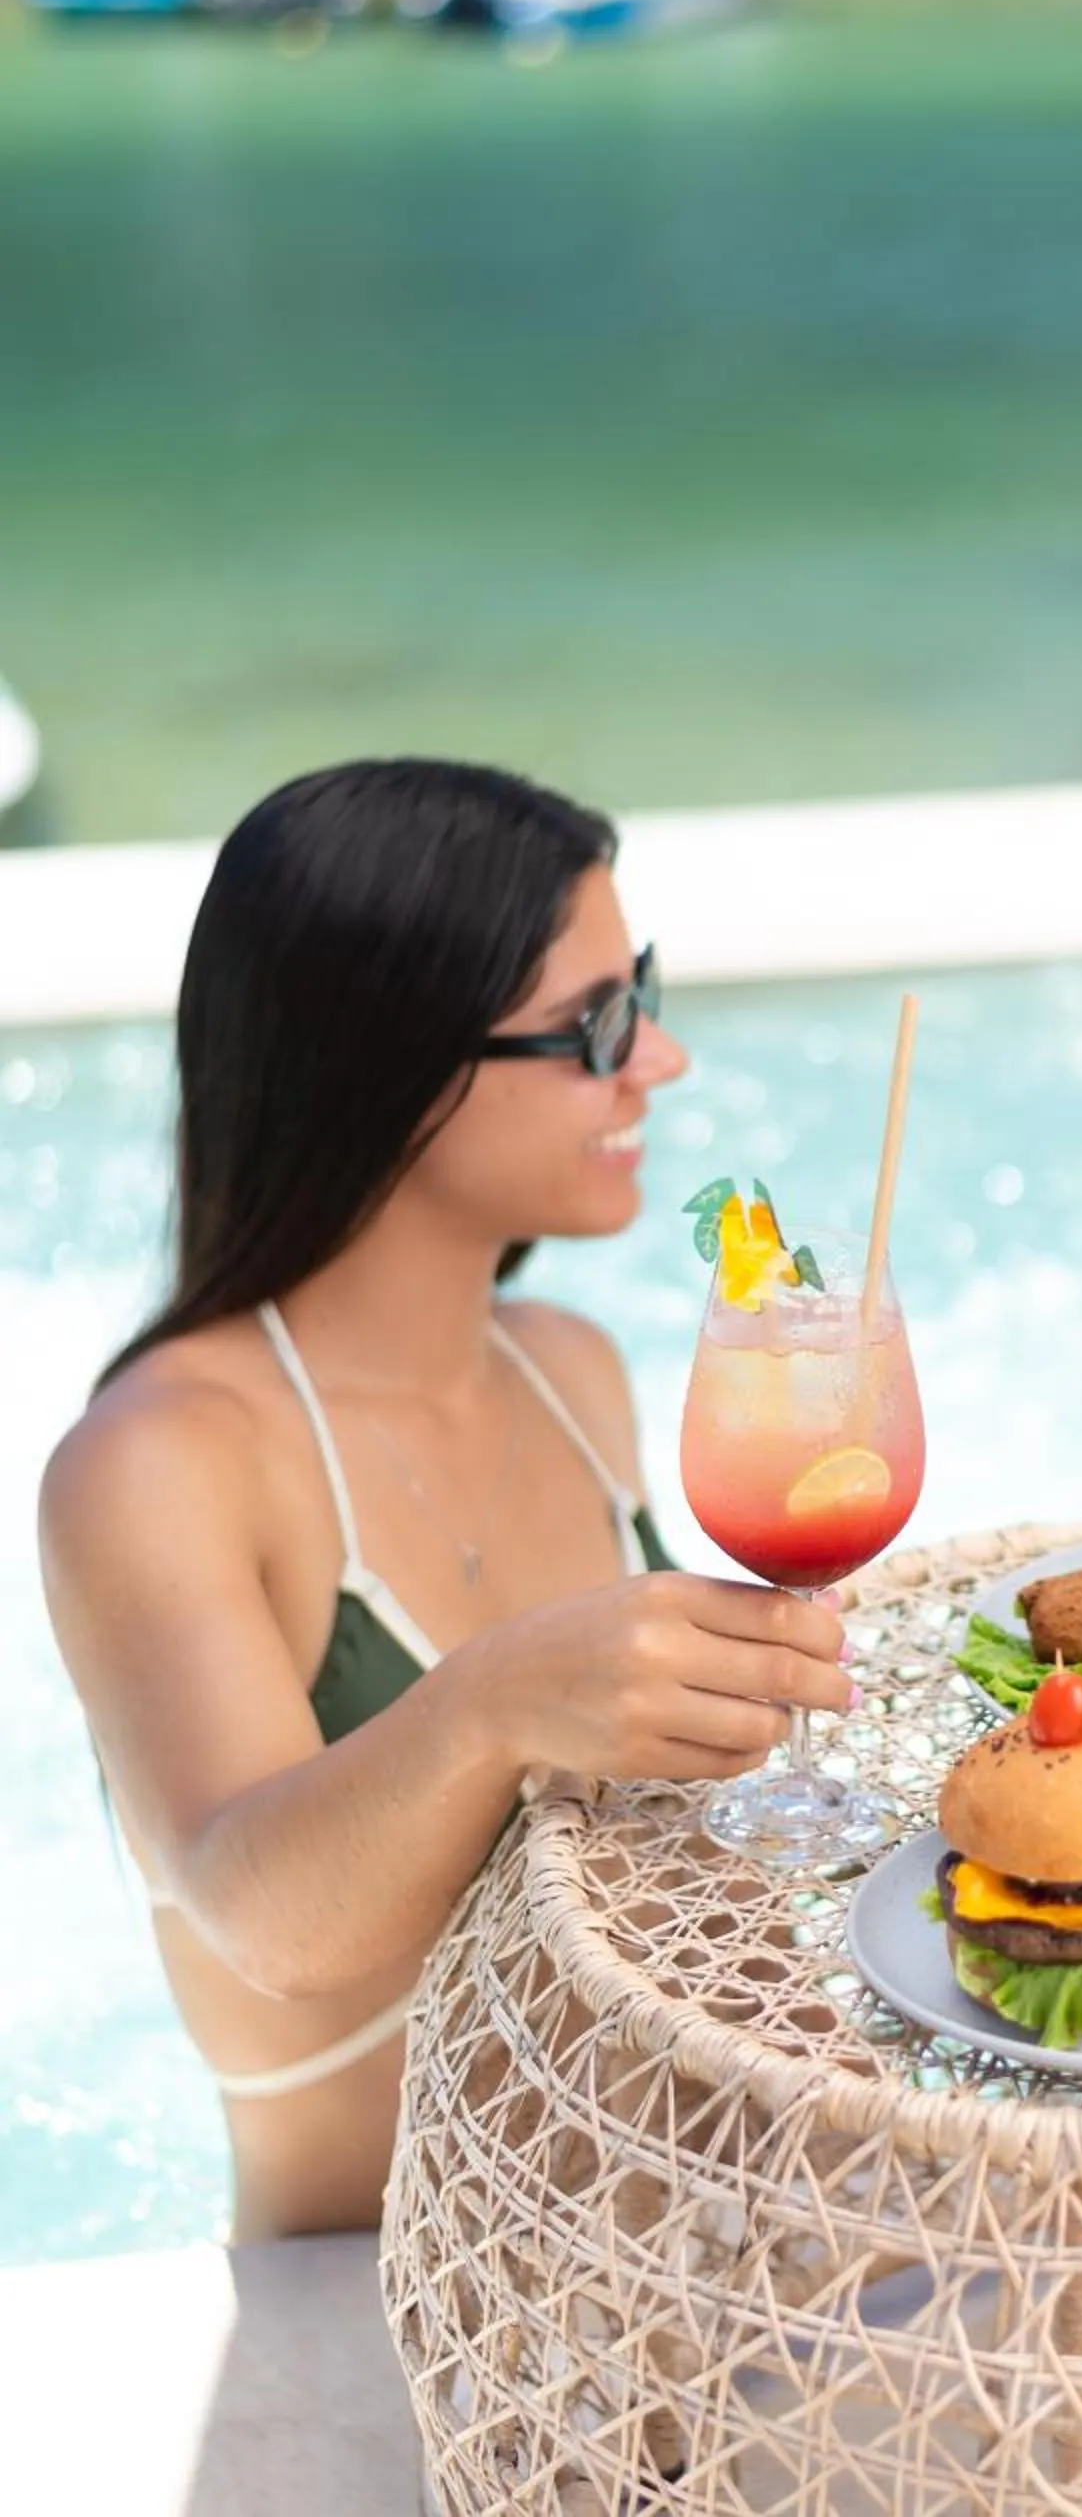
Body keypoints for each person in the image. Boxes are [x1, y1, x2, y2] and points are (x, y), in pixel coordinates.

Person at [39, 760, 850, 2238]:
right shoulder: (166, 1459)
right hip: (397, 2311)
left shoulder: (572, 1371)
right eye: (597, 1022)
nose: (656, 1061)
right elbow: (261, 1917)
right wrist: (485, 1707)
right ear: (394, 1060)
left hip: (698, 2249)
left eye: (643, 991)